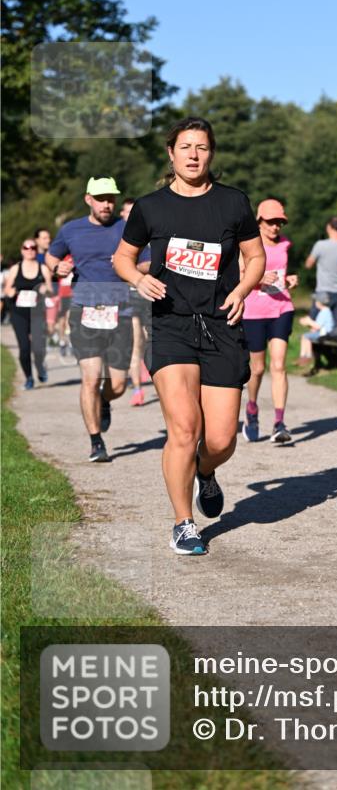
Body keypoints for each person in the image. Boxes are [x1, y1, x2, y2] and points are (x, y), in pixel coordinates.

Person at [113, 117, 265, 556]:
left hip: (221, 325)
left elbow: (256, 256)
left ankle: (205, 470)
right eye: (185, 147)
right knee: (184, 427)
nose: (194, 154)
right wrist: (137, 281)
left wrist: (241, 289)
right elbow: (123, 258)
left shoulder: (233, 202)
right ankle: (183, 522)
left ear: (211, 154)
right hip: (172, 325)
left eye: (201, 147)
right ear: (171, 153)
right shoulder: (150, 206)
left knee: (220, 439)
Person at [46, 177, 138, 463]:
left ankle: (106, 401)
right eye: (101, 198)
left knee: (119, 384)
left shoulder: (128, 229)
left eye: (111, 198)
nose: (107, 204)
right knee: (91, 377)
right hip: (85, 310)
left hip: (120, 311)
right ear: (89, 199)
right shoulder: (71, 229)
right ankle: (96, 442)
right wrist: (57, 266)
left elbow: (147, 261)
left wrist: (130, 264)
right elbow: (50, 257)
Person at [241, 198, 299, 444]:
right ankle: (252, 410)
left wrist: (290, 280)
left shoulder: (286, 244)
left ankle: (279, 423)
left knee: (279, 366)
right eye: (271, 222)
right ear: (260, 221)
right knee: (258, 369)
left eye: (279, 223)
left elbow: (285, 273)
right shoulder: (247, 245)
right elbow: (237, 277)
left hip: (281, 308)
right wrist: (258, 279)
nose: (276, 227)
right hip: (254, 311)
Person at [4, 239, 53, 388]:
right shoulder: (15, 269)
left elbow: (51, 290)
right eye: (26, 247)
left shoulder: (42, 268)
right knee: (24, 348)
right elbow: (6, 289)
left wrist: (46, 289)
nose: (29, 250)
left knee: (38, 347)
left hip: (37, 312)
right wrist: (11, 291)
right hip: (18, 313)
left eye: (32, 247)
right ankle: (29, 378)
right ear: (22, 250)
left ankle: (40, 367)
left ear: (36, 250)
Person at [120, 196, 150, 406]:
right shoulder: (116, 236)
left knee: (148, 340)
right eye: (127, 212)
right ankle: (137, 389)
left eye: (134, 211)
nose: (131, 216)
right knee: (135, 342)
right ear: (122, 215)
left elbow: (151, 263)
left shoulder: (146, 234)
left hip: (147, 294)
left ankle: (147, 370)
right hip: (127, 296)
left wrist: (127, 268)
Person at [304, 216, 337, 326]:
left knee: (314, 324)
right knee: (336, 328)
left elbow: (308, 264)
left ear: (328, 227)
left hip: (323, 291)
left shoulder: (320, 245)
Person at [298, 296, 334, 362]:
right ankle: (303, 356)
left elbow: (318, 326)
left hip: (324, 333)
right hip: (321, 332)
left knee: (306, 337)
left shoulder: (325, 312)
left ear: (319, 303)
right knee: (305, 336)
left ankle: (307, 356)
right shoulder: (323, 311)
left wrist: (309, 321)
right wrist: (308, 323)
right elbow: (317, 326)